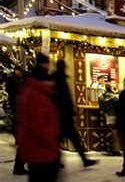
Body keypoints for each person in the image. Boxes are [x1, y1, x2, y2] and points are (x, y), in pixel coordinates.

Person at [17, 53, 61, 181]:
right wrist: (53, 146)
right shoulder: (38, 95)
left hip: (38, 151)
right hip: (43, 152)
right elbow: (39, 126)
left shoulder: (33, 91)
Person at [52, 60, 97, 168]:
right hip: (64, 116)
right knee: (73, 140)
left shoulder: (55, 78)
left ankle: (57, 162)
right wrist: (71, 111)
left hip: (59, 116)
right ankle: (84, 160)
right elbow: (65, 99)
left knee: (59, 141)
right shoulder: (60, 80)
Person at [5, 65, 27, 175]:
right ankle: (19, 166)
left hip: (20, 113)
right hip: (20, 112)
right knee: (25, 142)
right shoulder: (13, 81)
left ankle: (20, 165)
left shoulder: (16, 81)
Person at [98, 83, 120, 156]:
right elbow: (118, 106)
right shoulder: (114, 97)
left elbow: (101, 107)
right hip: (115, 115)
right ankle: (115, 150)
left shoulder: (100, 97)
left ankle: (111, 147)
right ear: (110, 88)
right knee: (115, 133)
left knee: (113, 132)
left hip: (108, 116)